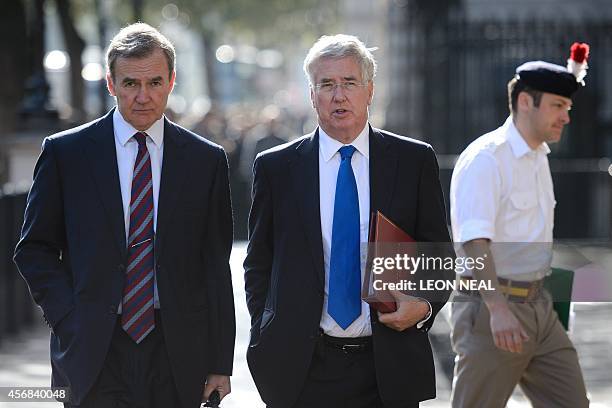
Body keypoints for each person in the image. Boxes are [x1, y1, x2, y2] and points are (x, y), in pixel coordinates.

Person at [14, 23, 235, 408]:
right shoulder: (67, 154)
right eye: (130, 83)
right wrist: (69, 320)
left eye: (154, 82)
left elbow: (214, 265)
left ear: (171, 81)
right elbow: (34, 249)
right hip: (93, 348)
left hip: (176, 349)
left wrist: (220, 362)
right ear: (111, 84)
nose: (143, 96)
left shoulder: (206, 160)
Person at [244, 34, 451, 408]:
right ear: (312, 95)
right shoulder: (276, 168)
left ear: (369, 90)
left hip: (388, 365)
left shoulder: (413, 161)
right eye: (327, 84)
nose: (339, 96)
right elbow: (259, 262)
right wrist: (266, 332)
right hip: (302, 369)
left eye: (349, 83)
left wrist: (423, 306)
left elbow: (439, 257)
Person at [449, 43, 591, 407]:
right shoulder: (486, 159)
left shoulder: (538, 155)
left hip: (540, 307)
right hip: (493, 308)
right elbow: (474, 242)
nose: (566, 117)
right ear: (526, 102)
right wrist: (497, 310)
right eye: (558, 106)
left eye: (568, 107)